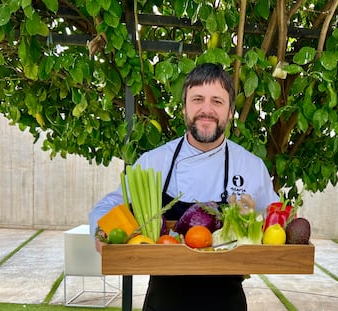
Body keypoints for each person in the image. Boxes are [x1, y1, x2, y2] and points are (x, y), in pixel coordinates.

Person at [89, 62, 279, 311]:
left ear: (230, 111)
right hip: (163, 300)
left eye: (217, 102)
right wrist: (101, 230)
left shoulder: (251, 166)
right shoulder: (154, 161)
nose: (206, 110)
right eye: (198, 99)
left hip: (227, 302)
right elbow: (112, 204)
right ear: (184, 109)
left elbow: (275, 220)